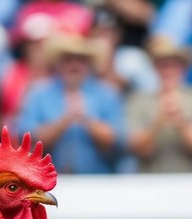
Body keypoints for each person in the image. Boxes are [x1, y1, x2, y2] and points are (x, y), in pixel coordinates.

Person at [17, 33, 126, 174]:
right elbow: (29, 142)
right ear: (58, 63)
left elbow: (116, 141)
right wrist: (65, 121)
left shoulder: (106, 94)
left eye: (80, 60)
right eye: (68, 59)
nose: (74, 65)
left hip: (97, 182)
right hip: (49, 182)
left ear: (89, 64)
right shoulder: (39, 93)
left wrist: (86, 119)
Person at [125, 36, 192, 172]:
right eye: (163, 65)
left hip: (190, 183)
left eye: (174, 65)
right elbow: (138, 150)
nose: (168, 71)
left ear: (184, 68)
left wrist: (180, 121)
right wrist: (159, 121)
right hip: (149, 182)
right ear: (155, 68)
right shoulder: (139, 100)